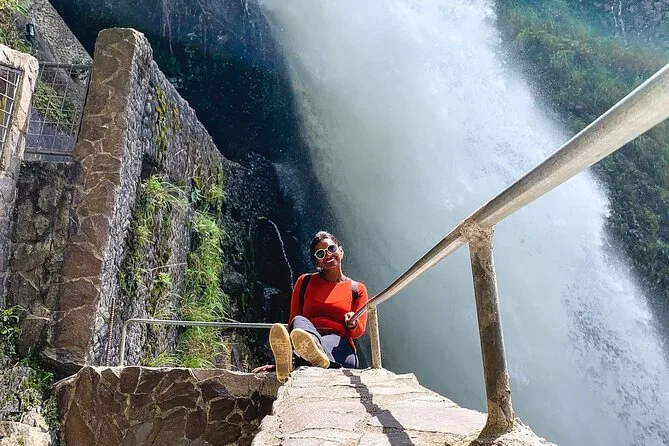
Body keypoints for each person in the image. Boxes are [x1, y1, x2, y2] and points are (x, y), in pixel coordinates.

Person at [252, 231, 369, 382]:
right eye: (320, 254)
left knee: (315, 344)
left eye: (331, 249)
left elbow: (359, 331)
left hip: (339, 346)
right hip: (306, 337)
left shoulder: (357, 289)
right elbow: (293, 320)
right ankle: (310, 357)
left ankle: (297, 360)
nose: (328, 255)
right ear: (317, 262)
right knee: (298, 321)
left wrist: (353, 322)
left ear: (341, 251)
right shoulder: (305, 282)